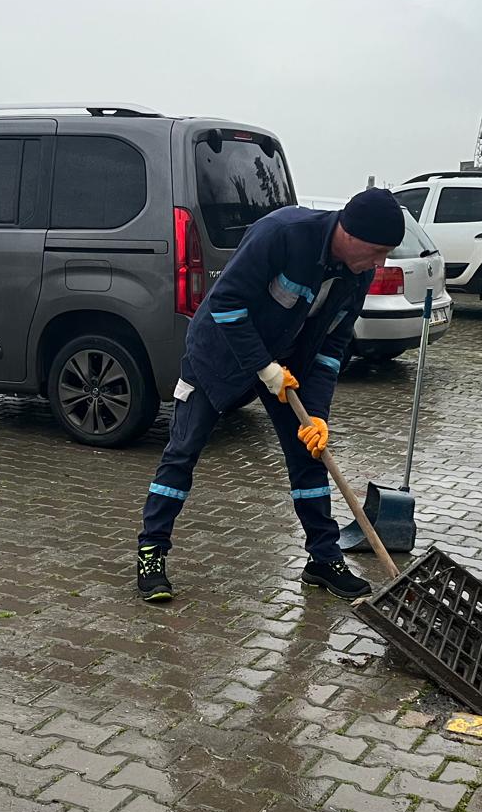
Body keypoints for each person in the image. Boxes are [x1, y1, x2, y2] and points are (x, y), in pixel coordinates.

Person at [135, 188, 404, 603]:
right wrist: (265, 368)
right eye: (378, 251)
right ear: (351, 233)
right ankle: (152, 551)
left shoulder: (358, 273)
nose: (380, 263)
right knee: (183, 451)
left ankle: (323, 558)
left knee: (309, 455)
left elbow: (332, 346)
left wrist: (317, 414)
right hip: (218, 355)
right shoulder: (282, 234)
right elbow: (225, 303)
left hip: (288, 365)